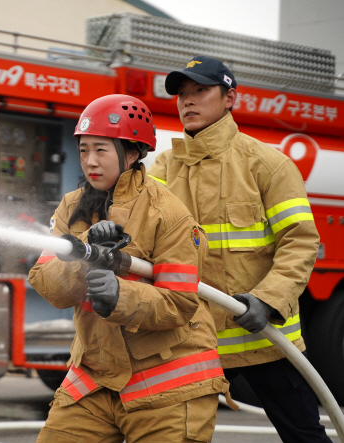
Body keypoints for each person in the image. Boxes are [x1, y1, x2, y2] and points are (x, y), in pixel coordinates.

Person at [29, 94, 234, 443]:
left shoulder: (167, 213)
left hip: (168, 383)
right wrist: (82, 261)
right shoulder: (72, 207)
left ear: (132, 154)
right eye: (83, 150)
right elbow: (49, 287)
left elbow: (180, 303)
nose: (90, 162)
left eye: (101, 150)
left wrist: (118, 295)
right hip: (96, 376)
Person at [147, 55, 329, 443]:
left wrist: (268, 300)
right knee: (169, 435)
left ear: (229, 98)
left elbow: (300, 241)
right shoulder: (161, 170)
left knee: (305, 436)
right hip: (194, 341)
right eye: (182, 94)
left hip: (266, 340)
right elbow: (140, 236)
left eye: (200, 90)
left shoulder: (268, 165)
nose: (188, 101)